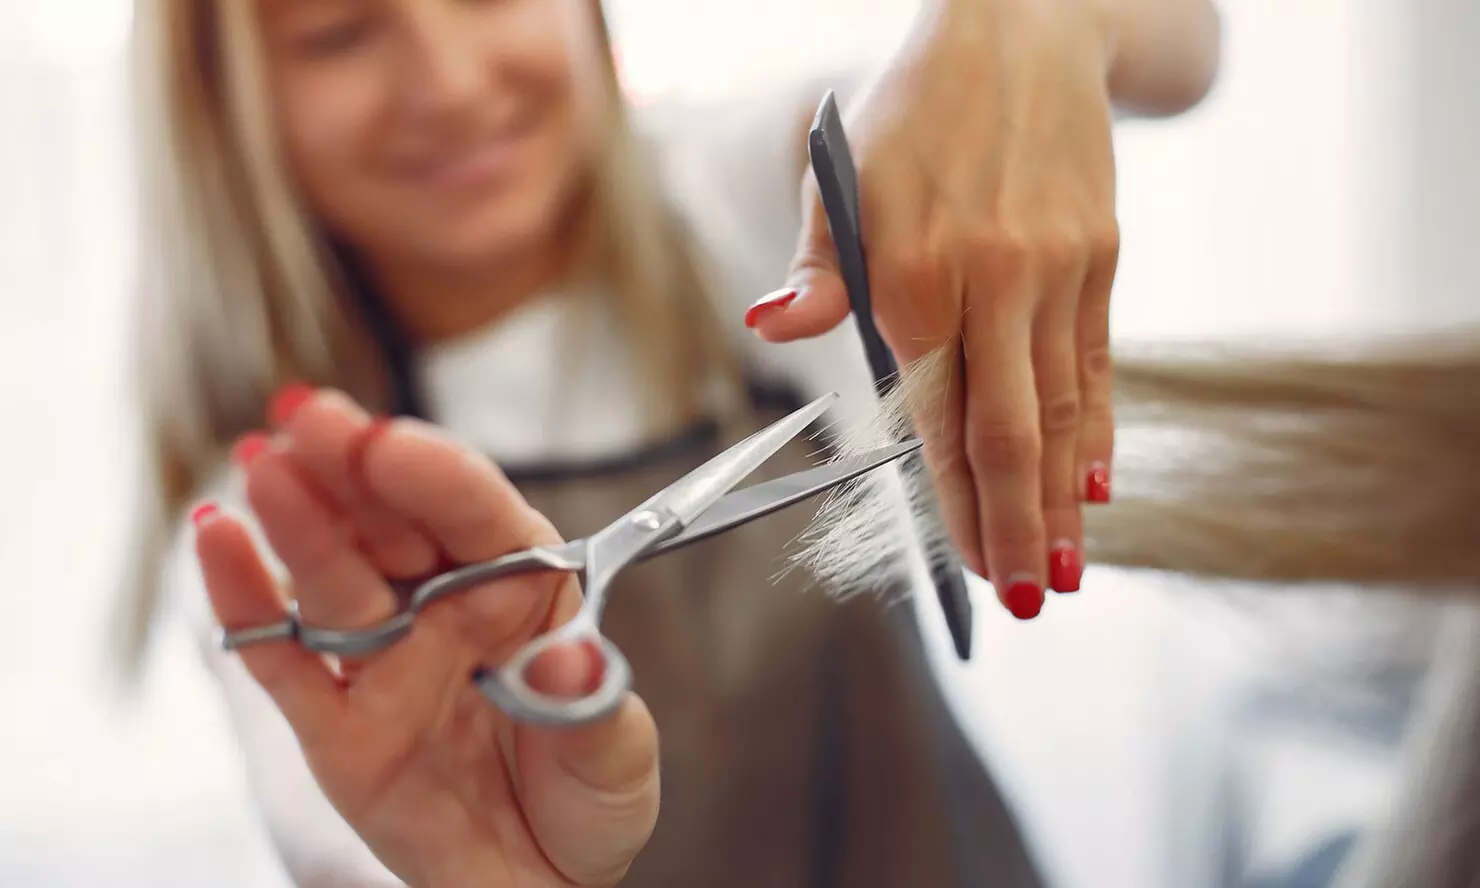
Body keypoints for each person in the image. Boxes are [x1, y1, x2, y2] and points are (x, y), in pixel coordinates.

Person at [114, 0, 1221, 885]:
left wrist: (1026, 24)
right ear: (228, 101)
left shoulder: (751, 206)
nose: (447, 84)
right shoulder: (284, 528)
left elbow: (1187, 42)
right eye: (339, 33)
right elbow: (347, 848)